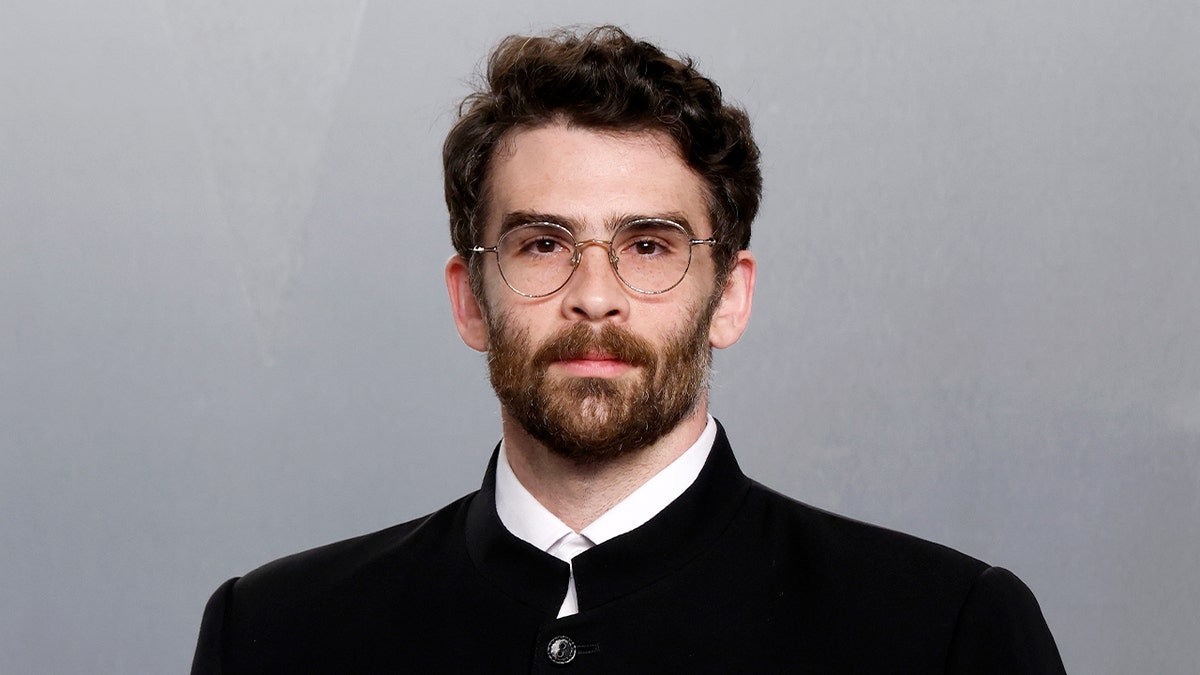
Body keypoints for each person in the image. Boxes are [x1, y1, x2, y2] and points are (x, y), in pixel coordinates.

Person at [191, 25, 1065, 673]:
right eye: (543, 243)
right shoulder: (275, 632)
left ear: (729, 296)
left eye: (648, 245)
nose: (595, 295)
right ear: (469, 300)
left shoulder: (942, 632)